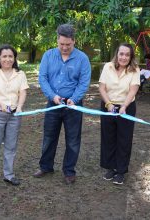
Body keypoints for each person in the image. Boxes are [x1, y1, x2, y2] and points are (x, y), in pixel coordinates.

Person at [33, 24, 91, 185]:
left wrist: (74, 98)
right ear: (57, 40)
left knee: (73, 139)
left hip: (73, 105)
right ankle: (46, 167)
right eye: (62, 44)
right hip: (53, 103)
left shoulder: (83, 59)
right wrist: (53, 96)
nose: (64, 48)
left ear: (74, 41)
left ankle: (69, 171)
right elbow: (43, 78)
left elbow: (84, 82)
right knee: (49, 137)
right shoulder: (48, 55)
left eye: (68, 45)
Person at [0, 44, 29, 190]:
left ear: (14, 58)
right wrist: (0, 104)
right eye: (4, 56)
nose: (7, 59)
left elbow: (23, 92)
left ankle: (9, 175)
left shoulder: (20, 74)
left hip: (14, 115)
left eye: (10, 56)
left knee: (11, 146)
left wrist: (20, 106)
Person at [99, 43, 140, 185]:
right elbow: (102, 88)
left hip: (126, 107)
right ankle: (110, 168)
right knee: (108, 137)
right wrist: (109, 104)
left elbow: (133, 90)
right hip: (108, 106)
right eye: (121, 54)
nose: (123, 57)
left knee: (124, 139)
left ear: (131, 56)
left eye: (127, 55)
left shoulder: (135, 70)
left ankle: (121, 171)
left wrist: (124, 106)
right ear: (117, 54)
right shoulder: (107, 67)